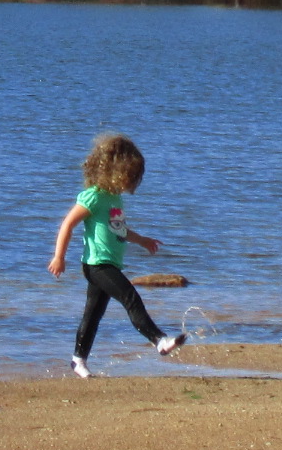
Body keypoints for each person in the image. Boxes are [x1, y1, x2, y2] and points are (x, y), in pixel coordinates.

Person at [48, 132, 185, 379]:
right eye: (129, 175)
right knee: (130, 297)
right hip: (96, 265)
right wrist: (59, 257)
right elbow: (68, 224)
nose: (131, 181)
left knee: (92, 314)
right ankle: (159, 340)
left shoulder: (114, 199)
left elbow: (118, 229)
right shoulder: (94, 196)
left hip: (109, 263)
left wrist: (141, 240)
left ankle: (78, 360)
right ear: (112, 169)